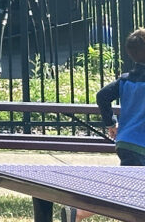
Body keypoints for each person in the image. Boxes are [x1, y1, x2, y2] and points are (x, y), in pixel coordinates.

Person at [63, 27, 145, 222]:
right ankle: (79, 211)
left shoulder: (125, 80)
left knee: (132, 191)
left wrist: (110, 123)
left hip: (126, 141)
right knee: (125, 191)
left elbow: (102, 96)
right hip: (140, 146)